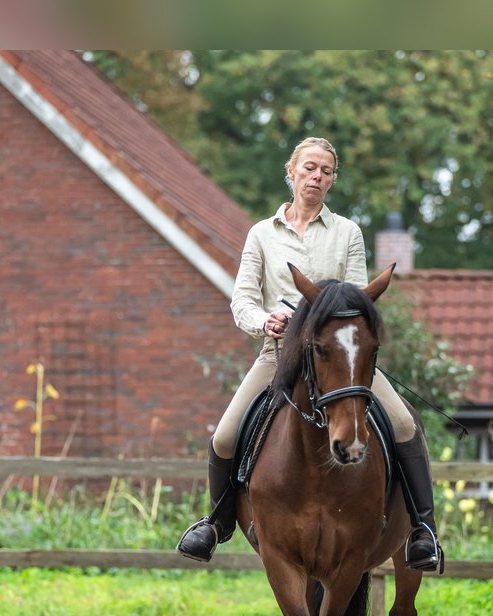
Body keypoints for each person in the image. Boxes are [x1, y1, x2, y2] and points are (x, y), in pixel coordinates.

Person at [176, 136, 441, 571]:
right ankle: (217, 521)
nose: (317, 176)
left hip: (339, 357)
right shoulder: (261, 234)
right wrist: (266, 321)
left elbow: (358, 300)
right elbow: (242, 298)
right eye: (310, 168)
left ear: (332, 181)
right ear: (292, 172)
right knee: (225, 435)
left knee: (403, 423)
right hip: (277, 354)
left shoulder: (347, 233)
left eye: (326, 171)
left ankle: (422, 530)